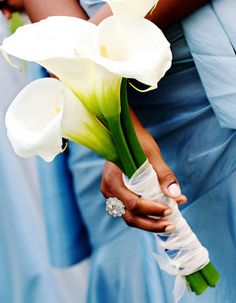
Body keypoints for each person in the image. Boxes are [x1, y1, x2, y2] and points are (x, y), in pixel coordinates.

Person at [2, 0, 236, 302]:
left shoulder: (82, 46)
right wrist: (119, 132)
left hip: (184, 64)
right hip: (90, 62)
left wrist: (80, 56)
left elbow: (76, 49)